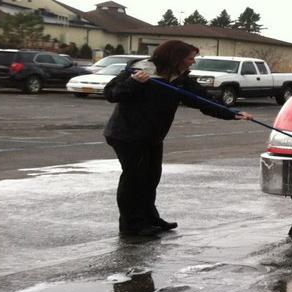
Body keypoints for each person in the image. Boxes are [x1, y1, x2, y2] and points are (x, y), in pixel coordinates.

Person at [103, 40, 254, 237]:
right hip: (127, 135)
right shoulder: (139, 71)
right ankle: (132, 225)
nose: (193, 62)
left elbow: (202, 100)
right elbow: (111, 93)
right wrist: (134, 83)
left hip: (152, 136)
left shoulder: (180, 79)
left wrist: (232, 113)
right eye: (190, 58)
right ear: (175, 58)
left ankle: (150, 218)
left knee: (151, 178)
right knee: (134, 179)